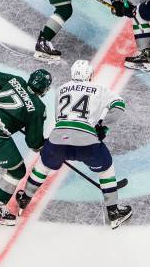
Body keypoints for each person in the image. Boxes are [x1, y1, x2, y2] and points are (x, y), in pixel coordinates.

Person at [14, 60, 133, 229]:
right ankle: (113, 212)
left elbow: (59, 118)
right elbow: (119, 105)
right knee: (106, 169)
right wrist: (103, 127)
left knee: (42, 166)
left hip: (58, 140)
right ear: (89, 75)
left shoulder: (62, 89)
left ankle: (25, 198)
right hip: (87, 142)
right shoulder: (98, 88)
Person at [0, 68, 52, 226]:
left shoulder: (16, 80)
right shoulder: (38, 107)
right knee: (17, 171)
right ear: (44, 89)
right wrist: (43, 146)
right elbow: (33, 142)